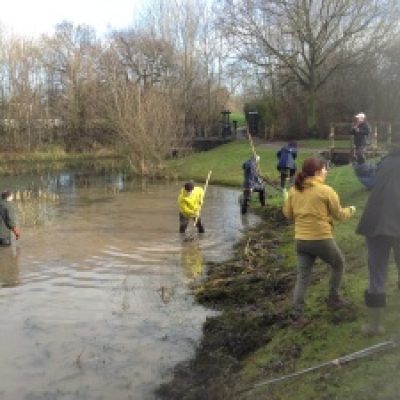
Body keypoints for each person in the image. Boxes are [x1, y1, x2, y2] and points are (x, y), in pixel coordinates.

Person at [282, 157, 356, 328]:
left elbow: (288, 214)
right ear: (317, 172)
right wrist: (351, 210)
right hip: (321, 238)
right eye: (324, 168)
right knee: (339, 264)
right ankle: (333, 298)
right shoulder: (326, 191)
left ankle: (296, 315)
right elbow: (340, 215)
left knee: (303, 278)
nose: (326, 171)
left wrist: (289, 200)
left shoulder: (294, 190)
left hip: (300, 240)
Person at [356, 140, 400, 336]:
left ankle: (375, 326)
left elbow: (369, 179)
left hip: (374, 223)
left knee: (377, 274)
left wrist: (359, 162)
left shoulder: (385, 162)